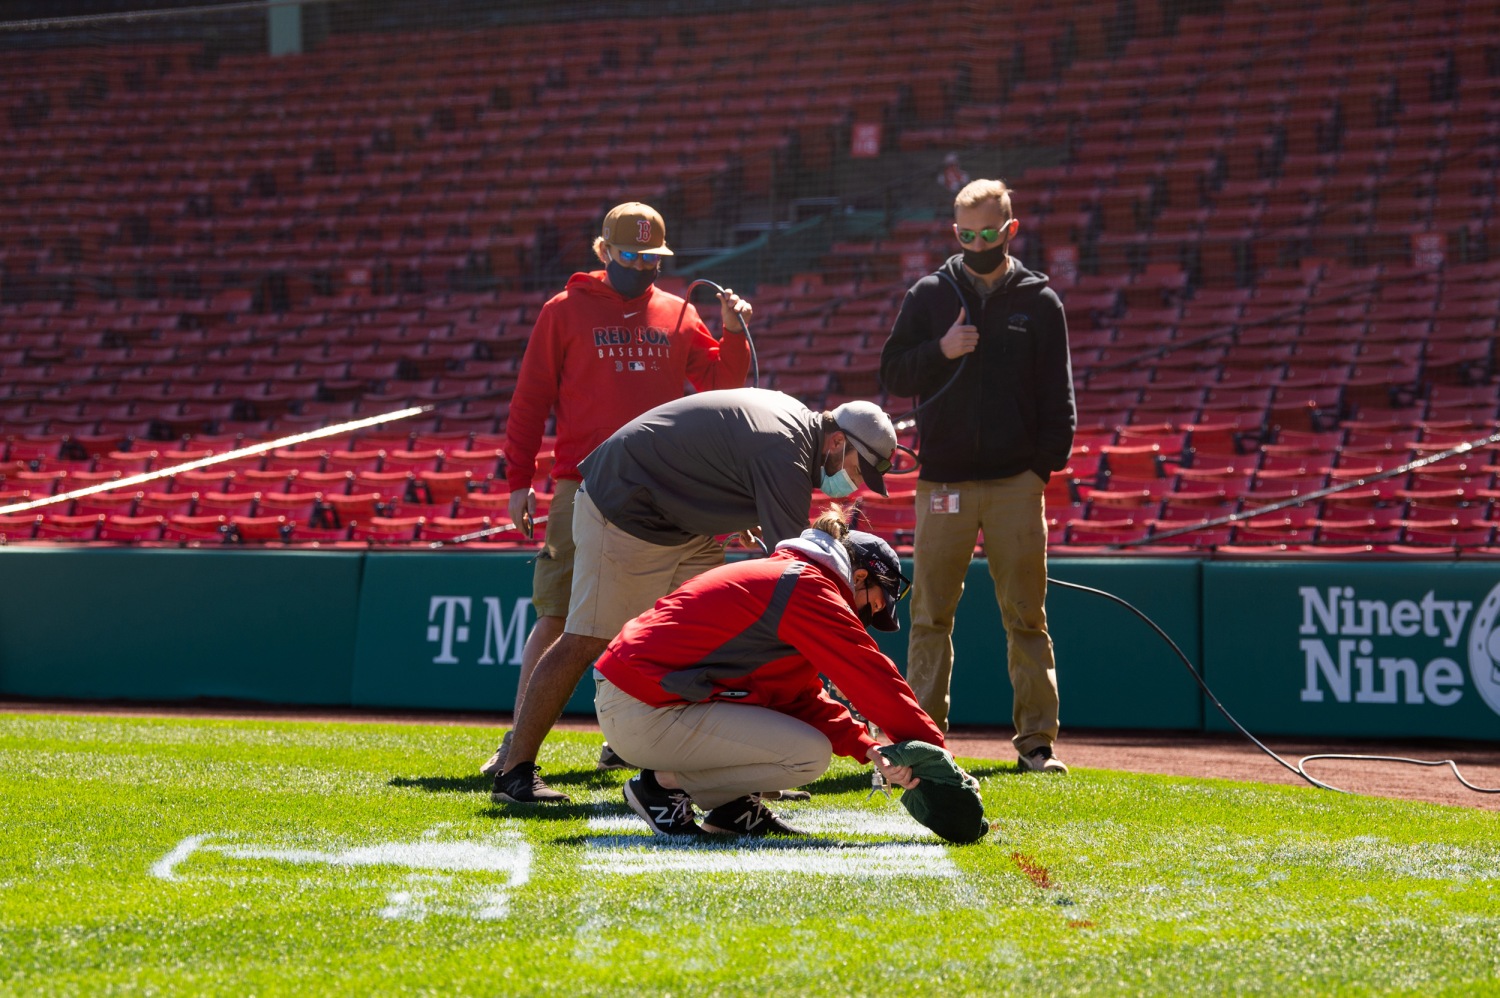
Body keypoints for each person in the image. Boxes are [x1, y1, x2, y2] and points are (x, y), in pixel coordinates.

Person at [489, 387, 901, 803]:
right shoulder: (787, 454)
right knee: (586, 638)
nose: (853, 485)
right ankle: (515, 770)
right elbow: (797, 579)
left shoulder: (794, 433)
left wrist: (739, 504)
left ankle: (735, 783)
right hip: (627, 504)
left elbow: (720, 459)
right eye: (856, 469)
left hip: (681, 521)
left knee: (723, 638)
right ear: (836, 441)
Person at [482, 202, 754, 779]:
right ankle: (517, 743)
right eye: (629, 255)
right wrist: (517, 481)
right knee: (560, 617)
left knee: (660, 622)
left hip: (663, 493)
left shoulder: (679, 313)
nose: (641, 265)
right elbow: (529, 400)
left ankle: (630, 739)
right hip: (579, 486)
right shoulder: (562, 310)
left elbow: (721, 386)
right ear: (603, 252)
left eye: (652, 257)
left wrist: (732, 333)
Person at [878, 178, 1076, 774]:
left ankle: (1037, 744)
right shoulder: (929, 294)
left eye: (988, 233)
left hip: (1017, 482)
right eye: (965, 234)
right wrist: (942, 349)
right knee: (930, 614)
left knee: (1026, 615)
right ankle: (923, 737)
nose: (976, 242)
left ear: (1010, 230)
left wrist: (1039, 469)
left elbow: (1058, 399)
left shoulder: (1040, 301)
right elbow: (893, 373)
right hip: (944, 483)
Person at [594, 509, 951, 836]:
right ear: (859, 576)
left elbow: (800, 697)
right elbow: (873, 678)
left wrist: (870, 749)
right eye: (870, 607)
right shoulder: (809, 586)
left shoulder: (796, 577)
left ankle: (730, 807)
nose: (866, 619)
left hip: (641, 700)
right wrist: (938, 756)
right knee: (806, 754)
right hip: (643, 706)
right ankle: (659, 786)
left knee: (791, 730)